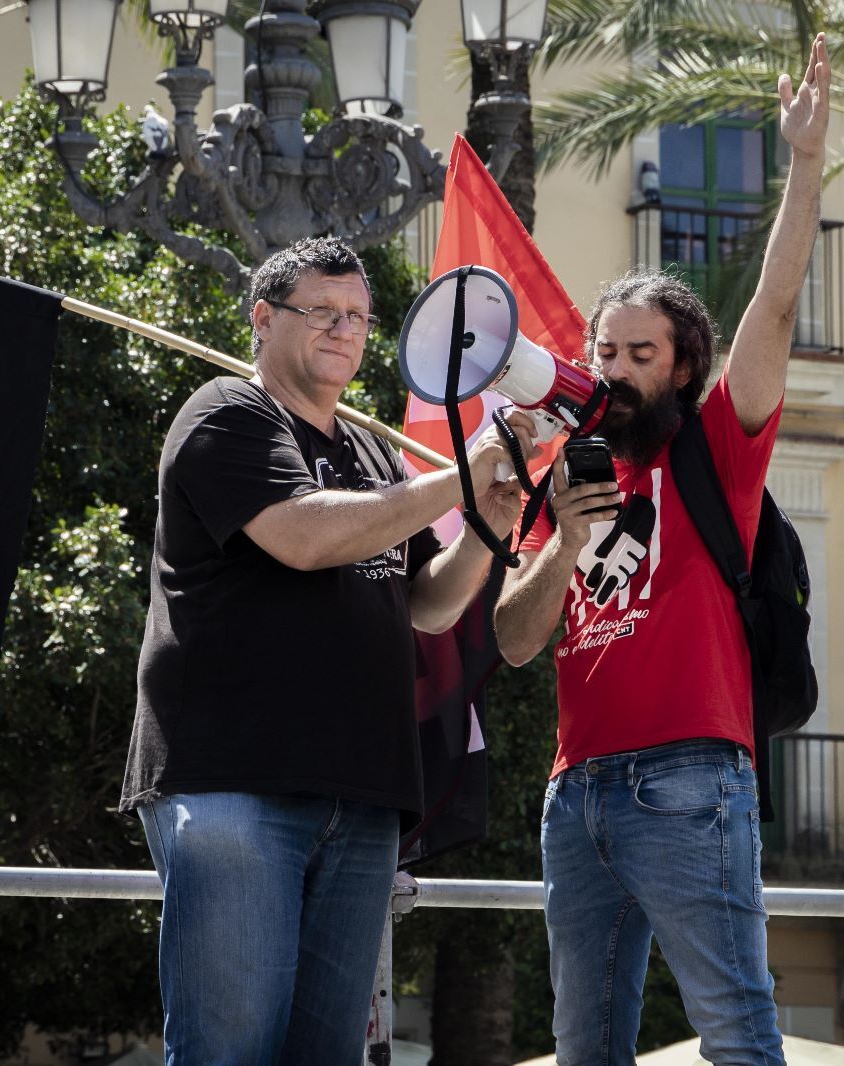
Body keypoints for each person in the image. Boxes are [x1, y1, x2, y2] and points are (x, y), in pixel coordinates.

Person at [493, 34, 832, 1066]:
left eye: (641, 354)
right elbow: (512, 638)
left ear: (684, 367)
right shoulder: (562, 466)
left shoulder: (715, 446)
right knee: (582, 1045)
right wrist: (564, 536)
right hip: (576, 789)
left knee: (733, 1028)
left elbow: (772, 306)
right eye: (603, 351)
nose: (616, 370)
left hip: (688, 778)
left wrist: (804, 164)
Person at [119, 237, 533, 1065]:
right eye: (323, 313)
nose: (346, 330)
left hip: (363, 795)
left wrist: (492, 514)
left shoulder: (374, 454)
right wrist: (460, 472)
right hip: (237, 784)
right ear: (264, 320)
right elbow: (305, 537)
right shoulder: (226, 413)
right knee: (228, 1051)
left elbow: (429, 604)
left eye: (359, 317)